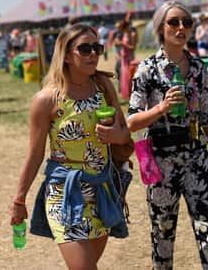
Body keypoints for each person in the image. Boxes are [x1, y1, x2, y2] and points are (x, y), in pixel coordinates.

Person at [10, 24, 130, 270]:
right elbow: (34, 154)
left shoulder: (103, 87)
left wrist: (116, 136)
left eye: (97, 48)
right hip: (65, 194)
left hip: (101, 191)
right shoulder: (46, 100)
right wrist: (19, 199)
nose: (93, 55)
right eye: (84, 49)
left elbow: (125, 133)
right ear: (65, 55)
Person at [127, 0, 208, 269]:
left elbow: (207, 115)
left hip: (196, 156)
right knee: (162, 234)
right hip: (159, 161)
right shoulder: (146, 69)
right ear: (161, 27)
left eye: (186, 22)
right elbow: (132, 121)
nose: (181, 27)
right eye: (173, 22)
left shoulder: (198, 67)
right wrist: (162, 107)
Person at [117, 21, 135, 100]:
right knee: (124, 76)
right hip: (123, 58)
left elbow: (133, 48)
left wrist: (123, 44)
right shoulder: (124, 34)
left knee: (129, 77)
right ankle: (125, 94)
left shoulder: (132, 35)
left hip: (129, 58)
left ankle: (130, 94)